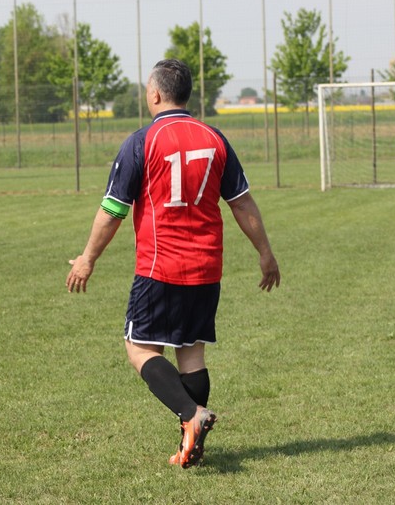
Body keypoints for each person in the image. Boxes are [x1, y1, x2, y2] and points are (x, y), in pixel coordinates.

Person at [65, 59, 280, 469]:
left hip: (160, 267)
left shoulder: (142, 141)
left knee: (139, 348)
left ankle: (190, 414)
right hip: (207, 268)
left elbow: (113, 210)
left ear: (155, 93)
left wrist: (87, 259)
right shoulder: (214, 138)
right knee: (191, 354)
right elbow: (242, 203)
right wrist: (265, 253)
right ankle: (190, 442)